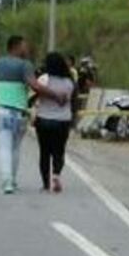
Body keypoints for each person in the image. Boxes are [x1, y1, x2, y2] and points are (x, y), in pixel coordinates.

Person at [0, 35, 68, 194]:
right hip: (19, 112)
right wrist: (55, 95)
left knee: (4, 147)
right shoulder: (24, 65)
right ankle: (12, 180)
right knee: (15, 148)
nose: (27, 49)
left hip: (1, 110)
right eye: (24, 46)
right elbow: (35, 85)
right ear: (16, 47)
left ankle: (7, 182)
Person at [34, 52, 76, 193]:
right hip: (63, 120)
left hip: (44, 119)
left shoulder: (43, 79)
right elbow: (72, 101)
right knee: (59, 150)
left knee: (44, 152)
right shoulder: (69, 82)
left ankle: (46, 184)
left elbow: (34, 96)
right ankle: (56, 174)